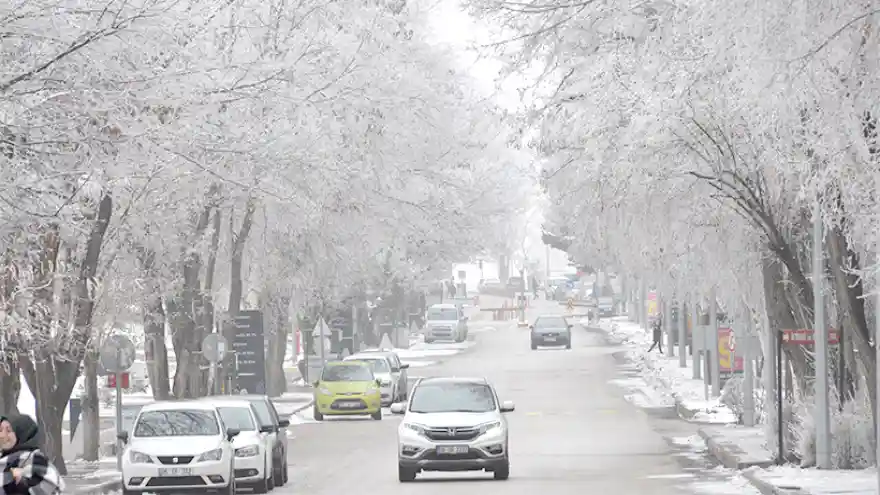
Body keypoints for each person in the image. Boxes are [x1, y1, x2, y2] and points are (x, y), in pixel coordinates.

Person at [0, 414, 64, 494]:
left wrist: (22, 483)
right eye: (0, 430)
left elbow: (50, 485)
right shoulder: (4, 461)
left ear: (23, 433)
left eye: (9, 431)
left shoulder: (34, 459)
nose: (2, 435)